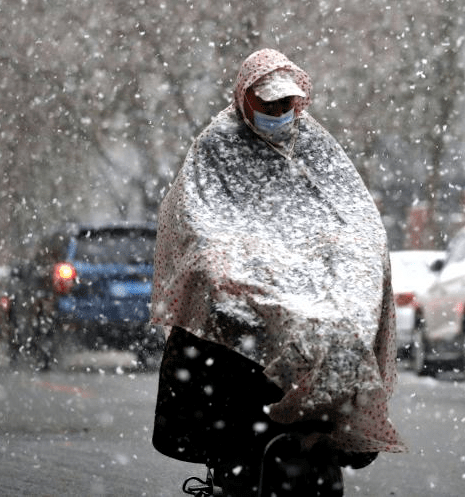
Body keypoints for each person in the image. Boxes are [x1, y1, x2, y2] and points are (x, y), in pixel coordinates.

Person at [150, 48, 405, 496]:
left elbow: (354, 215)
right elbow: (199, 219)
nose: (277, 112)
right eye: (266, 103)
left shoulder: (317, 146)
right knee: (220, 360)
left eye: (285, 104)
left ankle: (327, 435)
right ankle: (230, 455)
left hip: (314, 297)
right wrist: (226, 262)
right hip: (244, 296)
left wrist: (350, 257)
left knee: (340, 345)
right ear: (243, 97)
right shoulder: (217, 144)